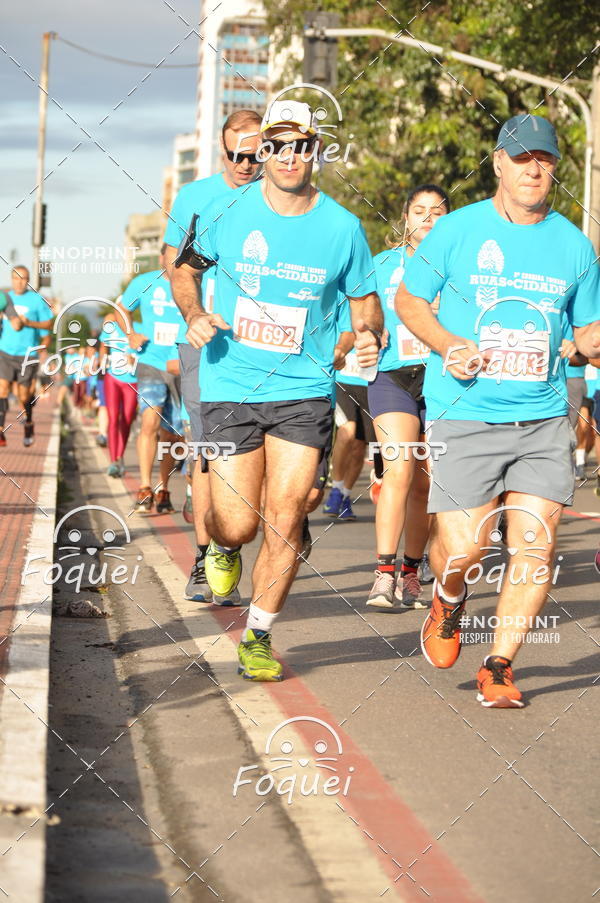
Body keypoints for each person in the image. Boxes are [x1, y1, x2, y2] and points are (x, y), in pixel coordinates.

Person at [171, 99, 383, 681]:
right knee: (237, 524)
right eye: (278, 144)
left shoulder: (343, 227)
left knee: (285, 515)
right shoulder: (225, 211)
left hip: (302, 386)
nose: (289, 156)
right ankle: (221, 548)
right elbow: (185, 269)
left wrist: (367, 337)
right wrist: (192, 313)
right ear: (263, 150)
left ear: (316, 150)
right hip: (229, 380)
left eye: (301, 145)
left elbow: (367, 302)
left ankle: (259, 635)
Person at [396, 114, 600, 708]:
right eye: (522, 158)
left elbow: (587, 327)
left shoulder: (574, 244)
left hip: (541, 416)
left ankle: (499, 664)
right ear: (499, 163)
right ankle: (448, 598)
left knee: (536, 544)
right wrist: (446, 345)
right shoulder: (457, 231)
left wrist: (589, 341)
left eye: (546, 160)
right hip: (466, 411)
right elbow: (410, 298)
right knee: (465, 548)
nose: (535, 169)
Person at [164, 109, 262, 604]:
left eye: (254, 154)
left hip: (277, 353)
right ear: (222, 151)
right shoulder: (196, 198)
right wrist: (196, 314)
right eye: (235, 155)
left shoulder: (286, 199)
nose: (245, 164)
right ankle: (206, 559)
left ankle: (245, 536)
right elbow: (174, 263)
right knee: (209, 456)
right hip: (212, 347)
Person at [367, 184, 450, 610]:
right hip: (392, 376)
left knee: (426, 484)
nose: (428, 219)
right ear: (405, 218)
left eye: (437, 212)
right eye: (420, 211)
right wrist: (368, 329)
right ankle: (383, 573)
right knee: (398, 470)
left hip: (441, 381)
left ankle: (412, 571)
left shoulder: (459, 267)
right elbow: (359, 308)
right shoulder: (382, 266)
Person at [119, 247, 186, 514]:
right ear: (161, 259)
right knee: (150, 420)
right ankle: (145, 487)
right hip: (150, 362)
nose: (174, 263)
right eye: (170, 258)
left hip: (183, 365)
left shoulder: (195, 284)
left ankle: (163, 487)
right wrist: (130, 333)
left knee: (173, 434)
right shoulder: (144, 283)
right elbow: (121, 309)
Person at [0, 266, 54, 447]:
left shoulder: (37, 300)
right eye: (16, 278)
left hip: (27, 355)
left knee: (24, 396)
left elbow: (48, 324)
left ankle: (29, 422)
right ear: (11, 279)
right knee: (2, 390)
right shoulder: (5, 298)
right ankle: (0, 431)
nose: (19, 282)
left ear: (28, 280)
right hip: (5, 351)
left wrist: (28, 322)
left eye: (24, 278)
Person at [98, 311, 139, 477]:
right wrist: (103, 361)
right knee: (113, 418)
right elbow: (103, 346)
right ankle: (114, 460)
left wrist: (134, 358)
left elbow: (145, 352)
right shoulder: (111, 328)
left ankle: (120, 456)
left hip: (132, 380)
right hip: (112, 378)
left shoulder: (140, 328)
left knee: (127, 419)